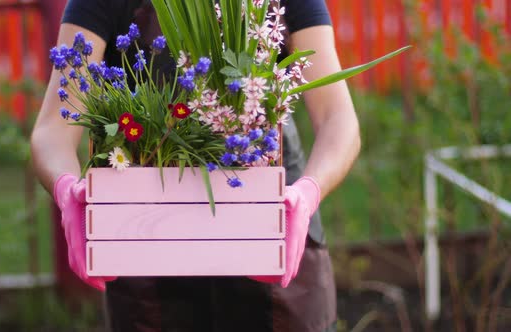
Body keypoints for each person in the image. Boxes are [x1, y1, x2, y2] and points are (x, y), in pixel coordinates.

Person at [31, 0, 360, 331]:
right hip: (147, 243)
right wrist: (66, 190)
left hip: (271, 231)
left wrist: (308, 192)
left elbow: (338, 118)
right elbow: (53, 132)